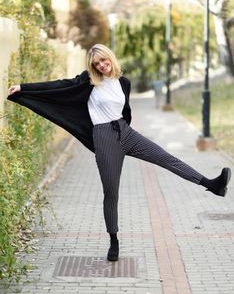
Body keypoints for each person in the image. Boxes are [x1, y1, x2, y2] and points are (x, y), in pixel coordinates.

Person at [8, 44, 231, 262]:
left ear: (111, 58)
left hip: (126, 132)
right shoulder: (89, 81)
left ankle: (212, 185)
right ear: (92, 66)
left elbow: (124, 110)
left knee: (166, 158)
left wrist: (126, 130)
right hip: (104, 138)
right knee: (111, 192)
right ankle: (114, 240)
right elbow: (59, 85)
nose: (102, 65)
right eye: (97, 63)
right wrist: (24, 88)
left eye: (104, 60)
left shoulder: (124, 82)